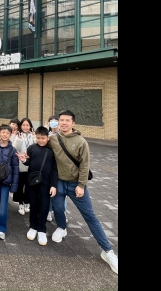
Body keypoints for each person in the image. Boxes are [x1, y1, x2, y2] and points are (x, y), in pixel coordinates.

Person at [47, 109, 118, 274]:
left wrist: (81, 185)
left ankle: (108, 252)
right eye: (61, 120)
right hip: (58, 183)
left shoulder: (81, 142)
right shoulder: (53, 139)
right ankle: (62, 227)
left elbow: (85, 165)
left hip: (75, 185)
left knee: (90, 216)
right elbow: (40, 146)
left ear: (73, 123)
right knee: (58, 208)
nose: (64, 123)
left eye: (67, 120)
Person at [18, 126, 57, 245]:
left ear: (48, 138)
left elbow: (54, 169)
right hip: (32, 182)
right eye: (38, 138)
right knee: (33, 205)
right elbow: (29, 162)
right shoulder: (31, 148)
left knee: (44, 206)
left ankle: (41, 229)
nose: (40, 140)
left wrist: (53, 185)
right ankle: (33, 227)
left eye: (43, 138)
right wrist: (23, 160)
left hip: (46, 184)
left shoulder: (51, 151)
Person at [12, 118, 35, 215]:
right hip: (20, 165)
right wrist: (19, 140)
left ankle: (27, 202)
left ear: (30, 126)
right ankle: (20, 203)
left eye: (27, 125)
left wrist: (34, 137)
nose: (25, 127)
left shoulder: (33, 136)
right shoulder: (17, 135)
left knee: (29, 186)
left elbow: (37, 148)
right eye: (23, 125)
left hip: (31, 165)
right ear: (21, 126)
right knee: (20, 185)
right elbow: (14, 149)